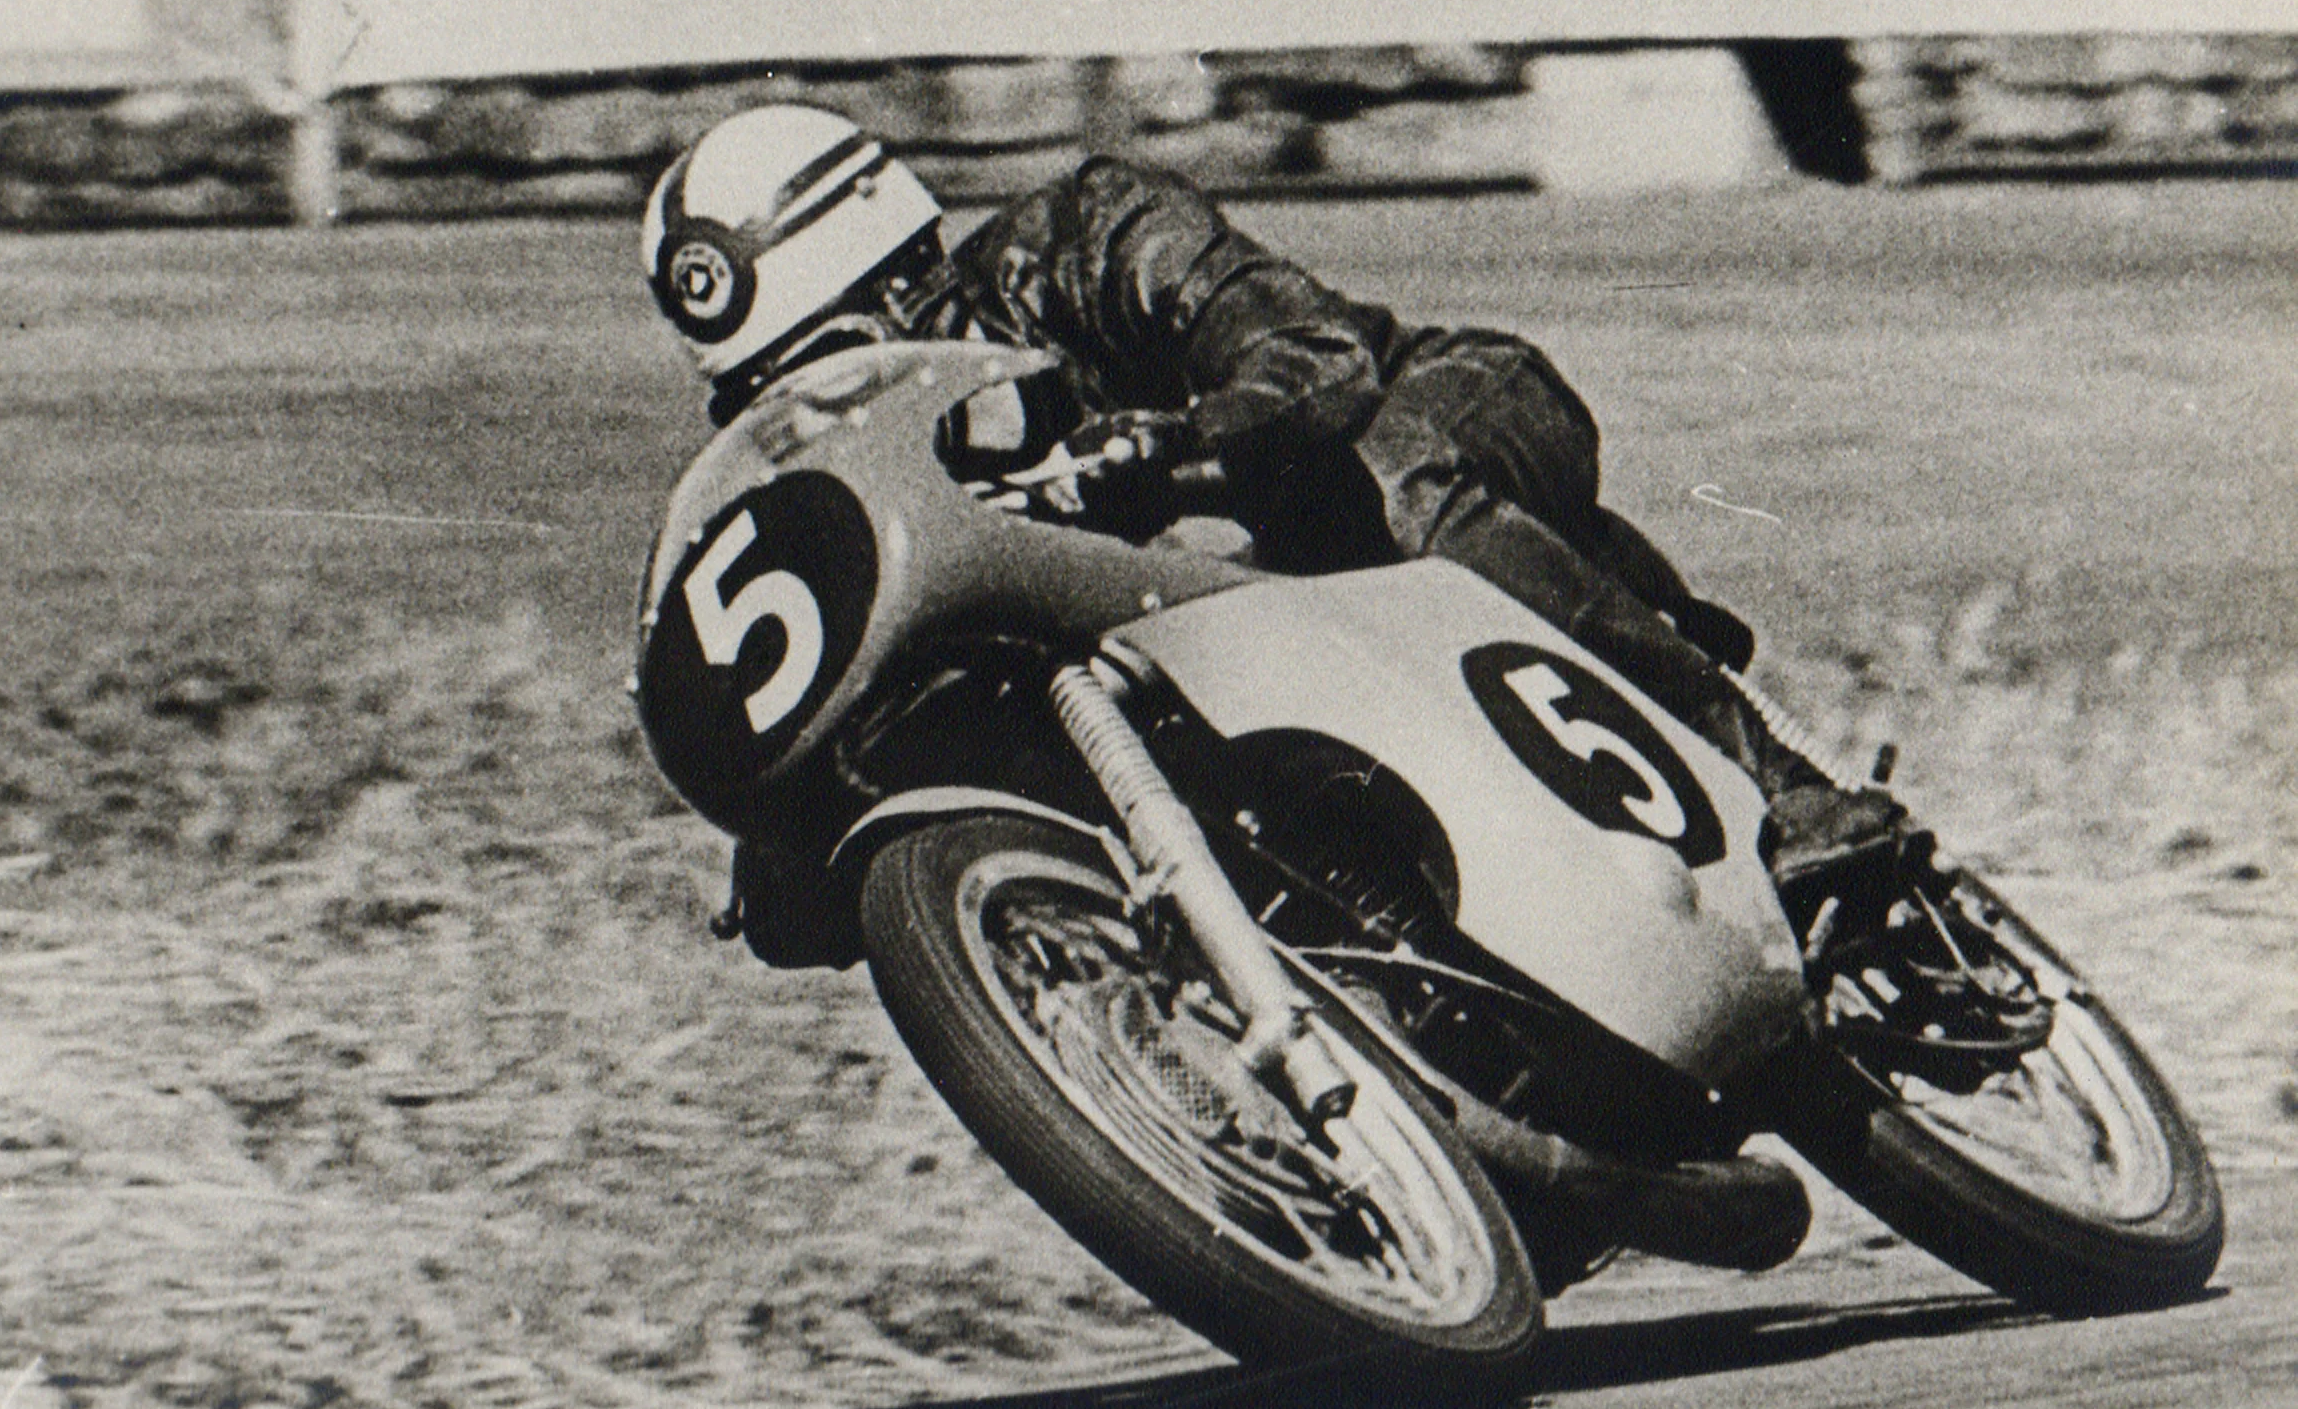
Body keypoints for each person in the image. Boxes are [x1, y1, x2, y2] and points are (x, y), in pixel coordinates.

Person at [639, 102, 1931, 923]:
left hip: (1440, 414)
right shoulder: (903, 489)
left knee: (1401, 476)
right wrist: (797, 822)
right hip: (1280, 653)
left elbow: (1315, 360)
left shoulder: (1087, 231)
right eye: (777, 388)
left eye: (835, 351)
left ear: (905, 271)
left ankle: (1781, 796)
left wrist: (1163, 444)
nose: (825, 398)